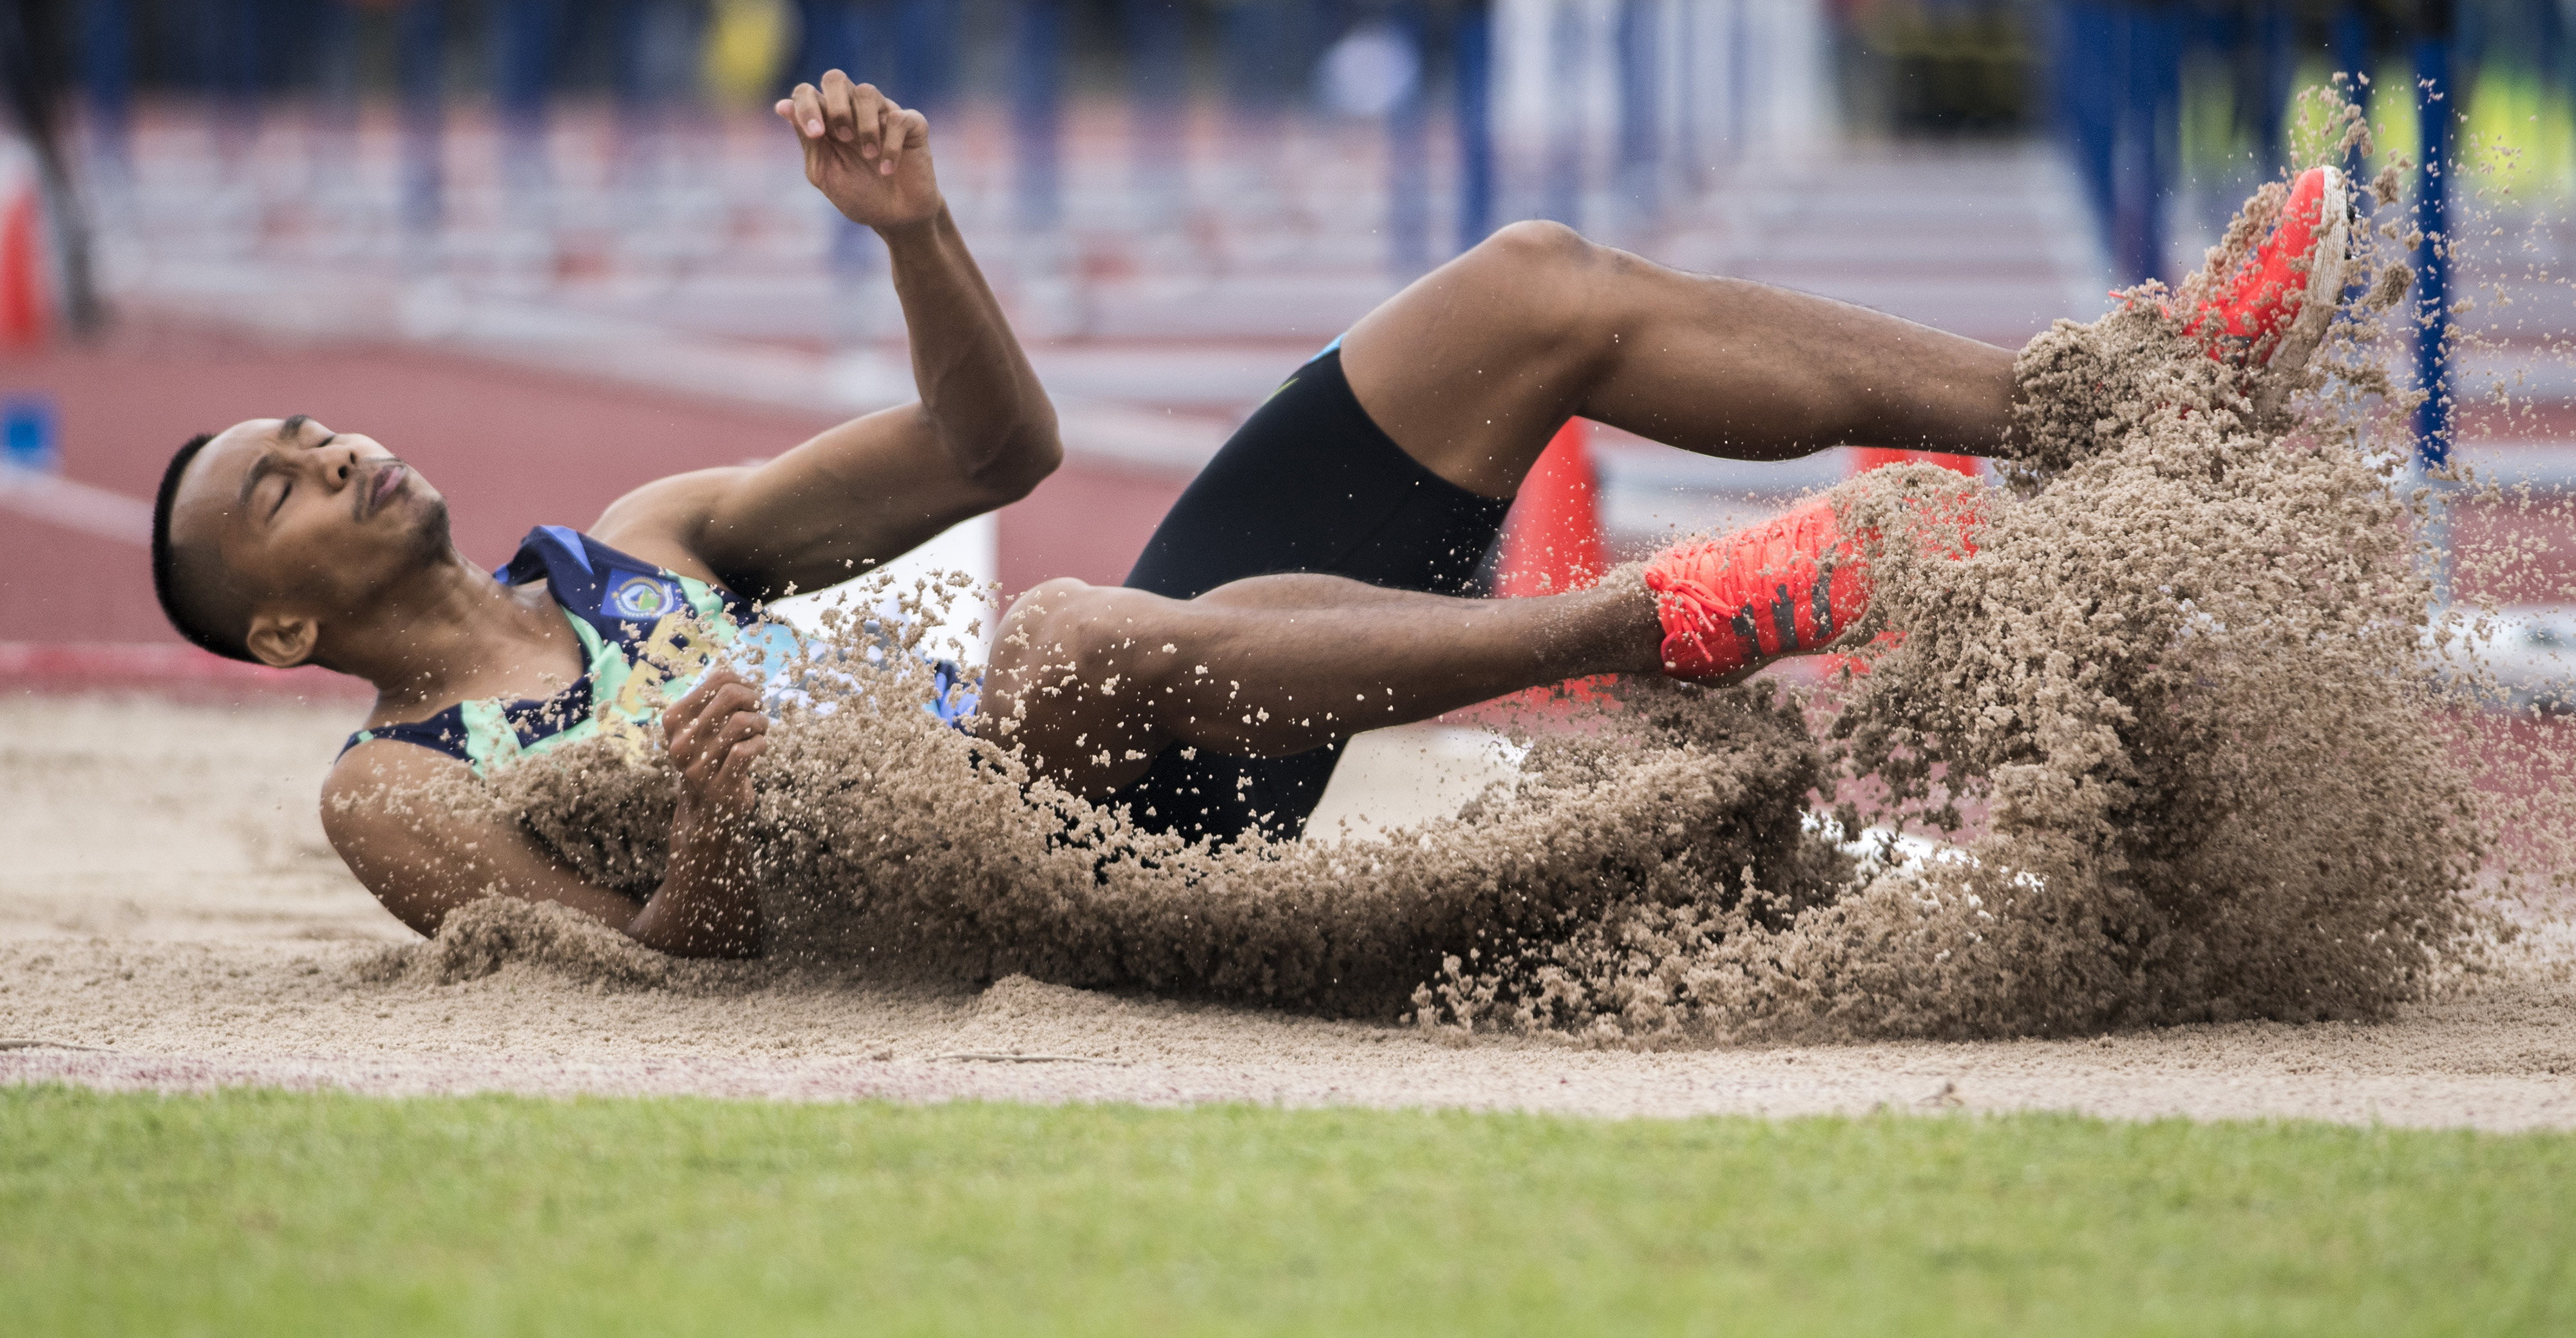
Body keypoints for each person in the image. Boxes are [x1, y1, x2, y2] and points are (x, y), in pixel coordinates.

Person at [147, 74, 2351, 958]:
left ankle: (2116, 391)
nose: (332, 451)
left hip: (1142, 701)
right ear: (277, 630)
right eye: (279, 484)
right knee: (1054, 641)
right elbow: (626, 976)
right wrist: (715, 833)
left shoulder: (642, 538)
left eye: (314, 428)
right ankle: (1667, 615)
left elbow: (992, 458)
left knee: (1527, 287)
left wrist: (917, 237)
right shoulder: (394, 786)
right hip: (1034, 875)